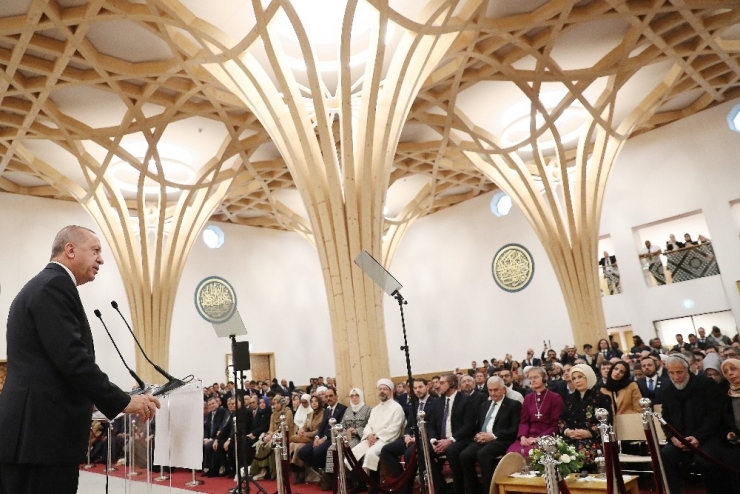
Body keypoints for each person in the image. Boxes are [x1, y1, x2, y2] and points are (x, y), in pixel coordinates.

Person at [0, 225, 160, 494]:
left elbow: (56, 364)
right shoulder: (55, 285)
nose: (101, 259)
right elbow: (73, 359)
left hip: (33, 435)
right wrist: (123, 401)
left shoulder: (44, 284)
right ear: (70, 250)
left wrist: (99, 397)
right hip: (42, 436)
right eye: (95, 250)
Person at [660, 355, 727, 493]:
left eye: (679, 372)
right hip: (679, 439)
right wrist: (673, 437)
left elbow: (716, 416)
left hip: (707, 437)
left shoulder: (705, 385)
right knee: (665, 455)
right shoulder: (668, 391)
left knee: (704, 460)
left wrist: (698, 437)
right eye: (671, 373)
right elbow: (665, 419)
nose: (676, 377)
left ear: (687, 370)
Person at [458, 377, 522, 494]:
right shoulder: (484, 405)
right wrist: (478, 435)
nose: (493, 393)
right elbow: (479, 425)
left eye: (496, 390)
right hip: (483, 438)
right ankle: (473, 489)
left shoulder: (513, 405)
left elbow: (514, 429)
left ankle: (489, 490)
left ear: (503, 389)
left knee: (483, 454)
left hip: (501, 439)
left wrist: (493, 436)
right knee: (464, 455)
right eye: (490, 390)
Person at [350, 379, 405, 490]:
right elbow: (368, 425)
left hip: (387, 440)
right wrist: (369, 435)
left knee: (371, 453)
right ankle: (361, 483)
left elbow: (394, 428)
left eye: (385, 389)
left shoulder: (397, 408)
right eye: (380, 389)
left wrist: (377, 436)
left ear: (391, 391)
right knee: (353, 453)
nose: (382, 391)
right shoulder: (375, 409)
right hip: (372, 439)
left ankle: (374, 486)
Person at [559, 364, 612, 470]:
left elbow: (607, 423)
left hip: (595, 440)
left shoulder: (601, 398)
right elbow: (561, 420)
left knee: (580, 449)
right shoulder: (569, 400)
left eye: (580, 377)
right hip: (572, 438)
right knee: (558, 450)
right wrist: (568, 431)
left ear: (589, 376)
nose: (577, 381)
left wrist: (588, 433)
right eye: (574, 378)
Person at [507, 367, 564, 457]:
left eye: (536, 377)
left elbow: (555, 424)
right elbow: (524, 421)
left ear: (545, 377)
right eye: (530, 378)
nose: (533, 380)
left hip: (547, 437)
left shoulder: (555, 398)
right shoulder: (528, 398)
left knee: (533, 453)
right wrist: (522, 437)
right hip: (528, 436)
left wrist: (538, 439)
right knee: (512, 453)